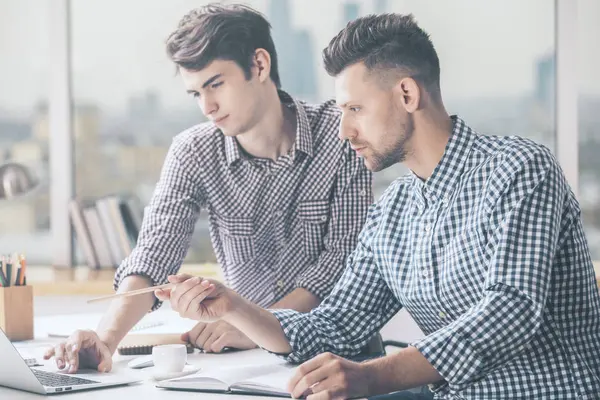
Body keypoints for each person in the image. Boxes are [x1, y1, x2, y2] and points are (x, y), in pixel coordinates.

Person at [155, 12, 600, 400]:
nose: (344, 129)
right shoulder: (394, 211)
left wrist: (369, 377)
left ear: (407, 95)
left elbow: (510, 310)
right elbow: (336, 323)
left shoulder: (519, 169)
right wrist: (232, 306)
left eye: (355, 109)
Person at [43, 4, 372, 374]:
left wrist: (255, 323)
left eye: (216, 84)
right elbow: (154, 253)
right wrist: (106, 339)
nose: (208, 107)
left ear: (259, 66)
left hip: (341, 355)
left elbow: (340, 264)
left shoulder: (341, 133)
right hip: (247, 361)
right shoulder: (193, 150)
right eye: (195, 93)